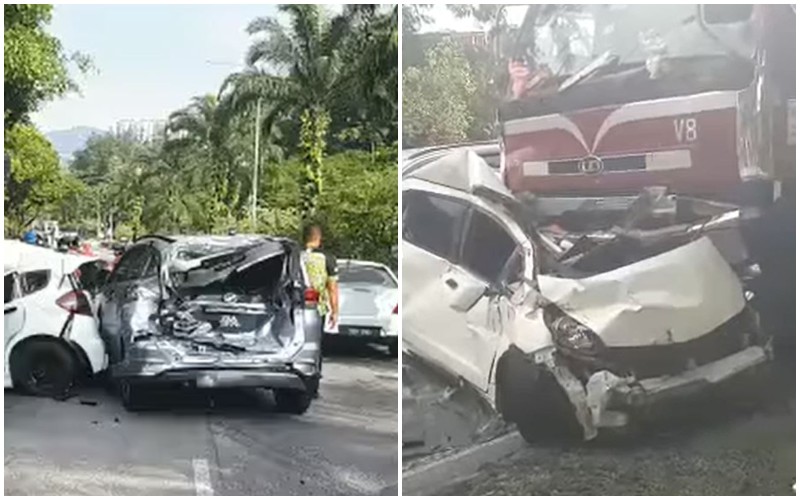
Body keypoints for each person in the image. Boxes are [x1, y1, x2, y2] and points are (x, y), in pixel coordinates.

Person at [300, 222, 339, 332]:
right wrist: (335, 311)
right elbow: (332, 288)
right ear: (319, 238)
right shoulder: (327, 258)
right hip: (317, 307)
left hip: (294, 307)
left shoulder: (295, 256)